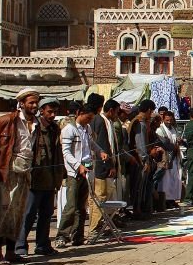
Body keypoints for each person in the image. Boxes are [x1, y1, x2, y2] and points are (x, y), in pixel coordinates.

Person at [0, 88, 42, 265]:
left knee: (17, 213)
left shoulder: (36, 124)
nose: (34, 106)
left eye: (36, 103)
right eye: (31, 102)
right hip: (7, 172)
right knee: (2, 211)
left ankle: (11, 251)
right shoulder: (6, 121)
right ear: (22, 103)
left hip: (25, 172)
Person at [55, 102, 105, 248]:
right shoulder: (69, 130)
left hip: (87, 171)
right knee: (71, 206)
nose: (89, 121)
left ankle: (78, 235)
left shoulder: (87, 128)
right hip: (74, 173)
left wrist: (100, 151)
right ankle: (62, 235)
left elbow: (91, 144)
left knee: (81, 207)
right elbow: (66, 152)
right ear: (79, 113)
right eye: (87, 118)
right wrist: (78, 166)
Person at [16, 98, 63, 256]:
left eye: (55, 112)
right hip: (35, 179)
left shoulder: (55, 129)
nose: (52, 115)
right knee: (28, 213)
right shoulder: (35, 128)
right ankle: (20, 245)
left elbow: (57, 154)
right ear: (42, 111)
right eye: (50, 111)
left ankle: (42, 244)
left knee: (47, 213)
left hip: (50, 179)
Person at [90, 99, 122, 237]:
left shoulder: (108, 122)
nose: (117, 114)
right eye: (117, 111)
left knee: (106, 197)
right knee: (100, 197)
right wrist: (109, 165)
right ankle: (94, 228)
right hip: (101, 167)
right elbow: (102, 145)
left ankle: (104, 224)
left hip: (106, 165)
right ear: (111, 110)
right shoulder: (100, 121)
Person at [127, 100, 157, 218]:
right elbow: (140, 145)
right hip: (139, 160)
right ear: (149, 110)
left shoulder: (140, 121)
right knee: (139, 186)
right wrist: (145, 160)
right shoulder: (140, 123)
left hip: (138, 158)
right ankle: (137, 210)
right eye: (151, 111)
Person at [157, 111, 183, 207]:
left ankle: (172, 199)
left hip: (174, 158)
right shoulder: (160, 130)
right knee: (166, 181)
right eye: (167, 120)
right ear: (163, 119)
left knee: (175, 179)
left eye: (170, 120)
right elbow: (162, 143)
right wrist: (172, 146)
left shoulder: (173, 129)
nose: (169, 122)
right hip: (166, 158)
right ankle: (166, 200)